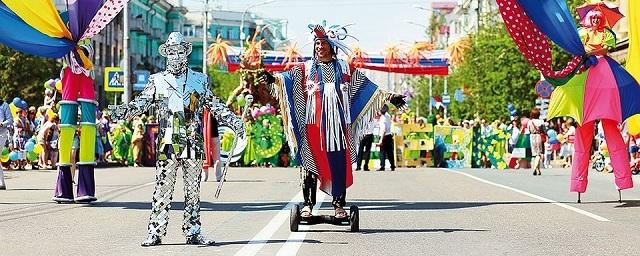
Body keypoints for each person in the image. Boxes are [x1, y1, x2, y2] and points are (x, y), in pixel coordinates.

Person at [260, 23, 405, 219]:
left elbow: (367, 87)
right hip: (312, 126)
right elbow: (286, 78)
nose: (320, 47)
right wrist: (273, 79)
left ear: (332, 46)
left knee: (338, 165)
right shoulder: (307, 67)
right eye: (317, 44)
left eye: (324, 43)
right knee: (309, 165)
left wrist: (389, 97)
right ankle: (308, 205)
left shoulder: (345, 68)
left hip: (337, 128)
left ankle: (338, 205)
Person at [110, 32, 242, 247]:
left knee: (193, 190)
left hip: (193, 140)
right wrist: (121, 112)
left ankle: (193, 231)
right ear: (167, 55)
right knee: (162, 188)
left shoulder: (200, 80)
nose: (177, 57)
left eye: (181, 52)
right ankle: (155, 232)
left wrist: (233, 120)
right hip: (169, 141)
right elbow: (140, 104)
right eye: (172, 53)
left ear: (186, 54)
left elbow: (215, 105)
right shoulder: (157, 81)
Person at [377, 104, 395, 171]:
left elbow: (383, 129)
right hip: (389, 135)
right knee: (390, 152)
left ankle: (382, 166)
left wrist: (381, 139)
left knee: (382, 152)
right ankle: (392, 165)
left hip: (384, 136)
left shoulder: (382, 118)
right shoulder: (388, 115)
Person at [527, 108, 544, 175]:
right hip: (538, 136)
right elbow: (544, 130)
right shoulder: (541, 121)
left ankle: (538, 170)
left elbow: (528, 129)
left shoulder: (529, 122)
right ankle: (535, 168)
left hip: (532, 136)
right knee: (538, 154)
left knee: (535, 154)